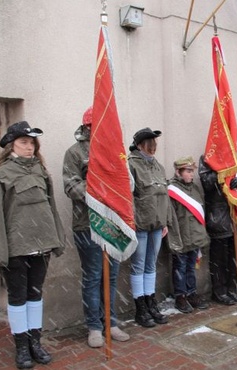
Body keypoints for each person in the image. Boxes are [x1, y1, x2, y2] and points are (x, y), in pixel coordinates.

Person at [0, 121, 65, 369]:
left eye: (32, 143)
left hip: (42, 243)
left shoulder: (41, 170)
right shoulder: (2, 174)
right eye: (24, 142)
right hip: (16, 246)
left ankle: (35, 343)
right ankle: (21, 347)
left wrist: (57, 238)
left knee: (35, 295)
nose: (29, 147)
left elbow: (51, 206)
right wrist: (0, 249)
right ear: (12, 145)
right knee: (18, 296)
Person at [62, 107, 130, 348]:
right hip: (88, 224)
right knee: (93, 276)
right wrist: (97, 195)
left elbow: (126, 182)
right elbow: (70, 185)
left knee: (110, 277)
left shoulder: (115, 151)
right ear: (88, 126)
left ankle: (110, 322)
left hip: (113, 223)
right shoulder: (75, 153)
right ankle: (94, 326)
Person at [128, 127, 171, 327]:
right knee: (138, 266)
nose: (153, 147)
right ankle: (141, 308)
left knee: (150, 265)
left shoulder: (159, 167)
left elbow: (165, 196)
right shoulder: (131, 166)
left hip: (157, 224)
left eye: (154, 143)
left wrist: (165, 221)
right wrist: (132, 222)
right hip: (140, 224)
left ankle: (151, 302)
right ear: (139, 145)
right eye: (149, 143)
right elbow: (129, 197)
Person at [198, 156, 237, 305]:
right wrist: (223, 170)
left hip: (236, 217)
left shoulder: (236, 159)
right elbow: (206, 183)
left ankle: (232, 287)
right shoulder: (207, 159)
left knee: (234, 257)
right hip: (218, 217)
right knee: (218, 259)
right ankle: (219, 291)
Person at [167, 156, 210, 313]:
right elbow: (171, 217)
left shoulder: (195, 189)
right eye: (188, 171)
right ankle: (180, 296)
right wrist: (175, 238)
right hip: (181, 236)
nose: (192, 175)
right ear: (178, 172)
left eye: (192, 171)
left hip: (195, 236)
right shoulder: (172, 189)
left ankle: (191, 293)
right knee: (180, 266)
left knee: (191, 267)